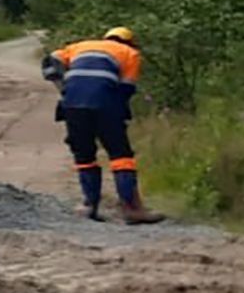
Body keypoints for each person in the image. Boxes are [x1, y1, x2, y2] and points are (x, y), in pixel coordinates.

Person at [43, 26, 160, 224]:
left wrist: (63, 87)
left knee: (84, 154)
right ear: (129, 41)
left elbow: (50, 61)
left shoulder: (79, 46)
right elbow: (126, 88)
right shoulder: (130, 53)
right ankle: (132, 209)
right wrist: (118, 112)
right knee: (121, 155)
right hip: (105, 103)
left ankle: (89, 206)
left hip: (72, 104)